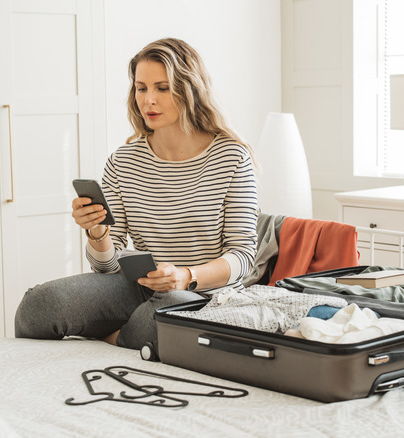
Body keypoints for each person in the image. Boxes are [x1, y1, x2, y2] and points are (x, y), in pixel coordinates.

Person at [14, 38, 258, 351]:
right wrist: (97, 232)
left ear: (189, 90)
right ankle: (128, 338)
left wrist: (185, 276)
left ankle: (111, 337)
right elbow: (106, 267)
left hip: (204, 293)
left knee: (155, 319)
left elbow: (242, 257)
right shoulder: (123, 161)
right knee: (37, 307)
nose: (148, 100)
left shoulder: (232, 158)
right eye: (141, 88)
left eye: (162, 88)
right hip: (140, 287)